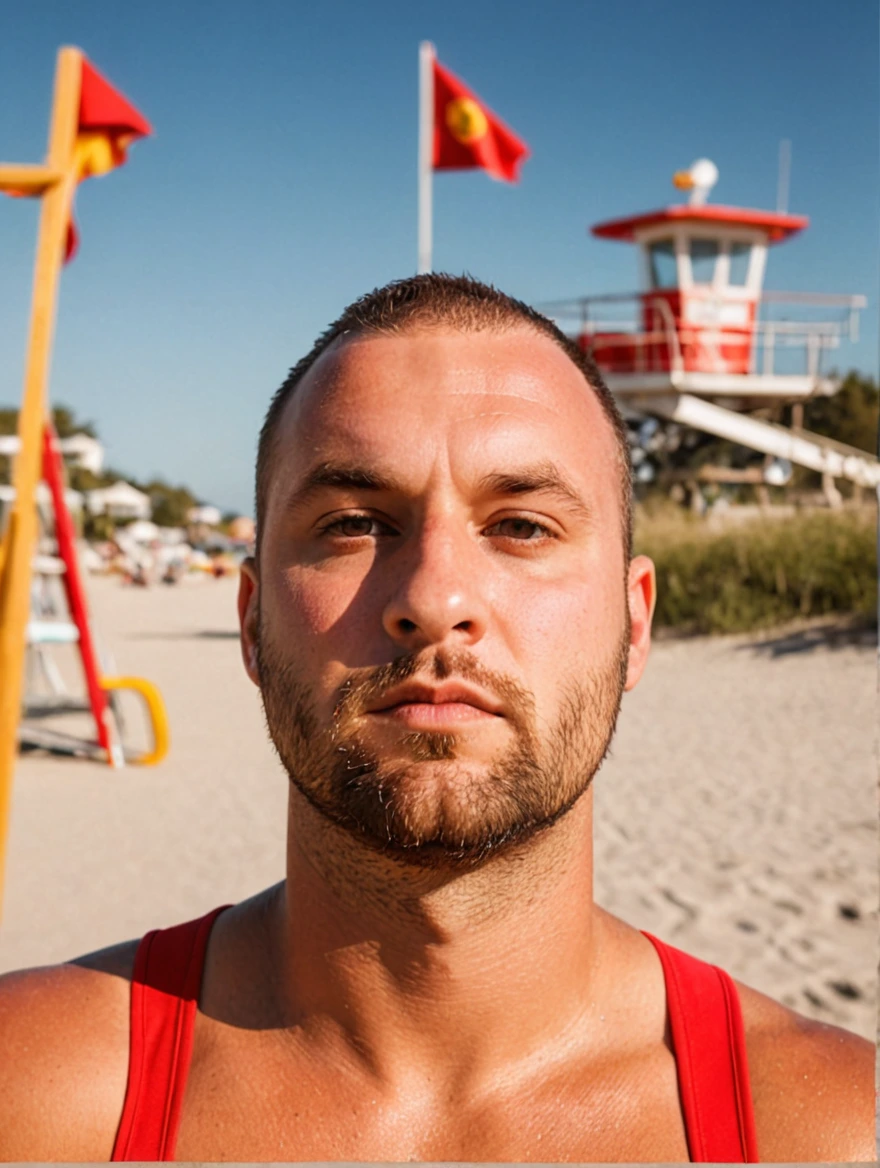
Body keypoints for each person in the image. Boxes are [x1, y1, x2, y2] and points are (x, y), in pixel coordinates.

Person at [0, 275, 872, 1162]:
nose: (435, 597)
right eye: (353, 523)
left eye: (523, 527)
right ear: (252, 623)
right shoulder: (33, 1098)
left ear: (633, 623)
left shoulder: (831, 1131)